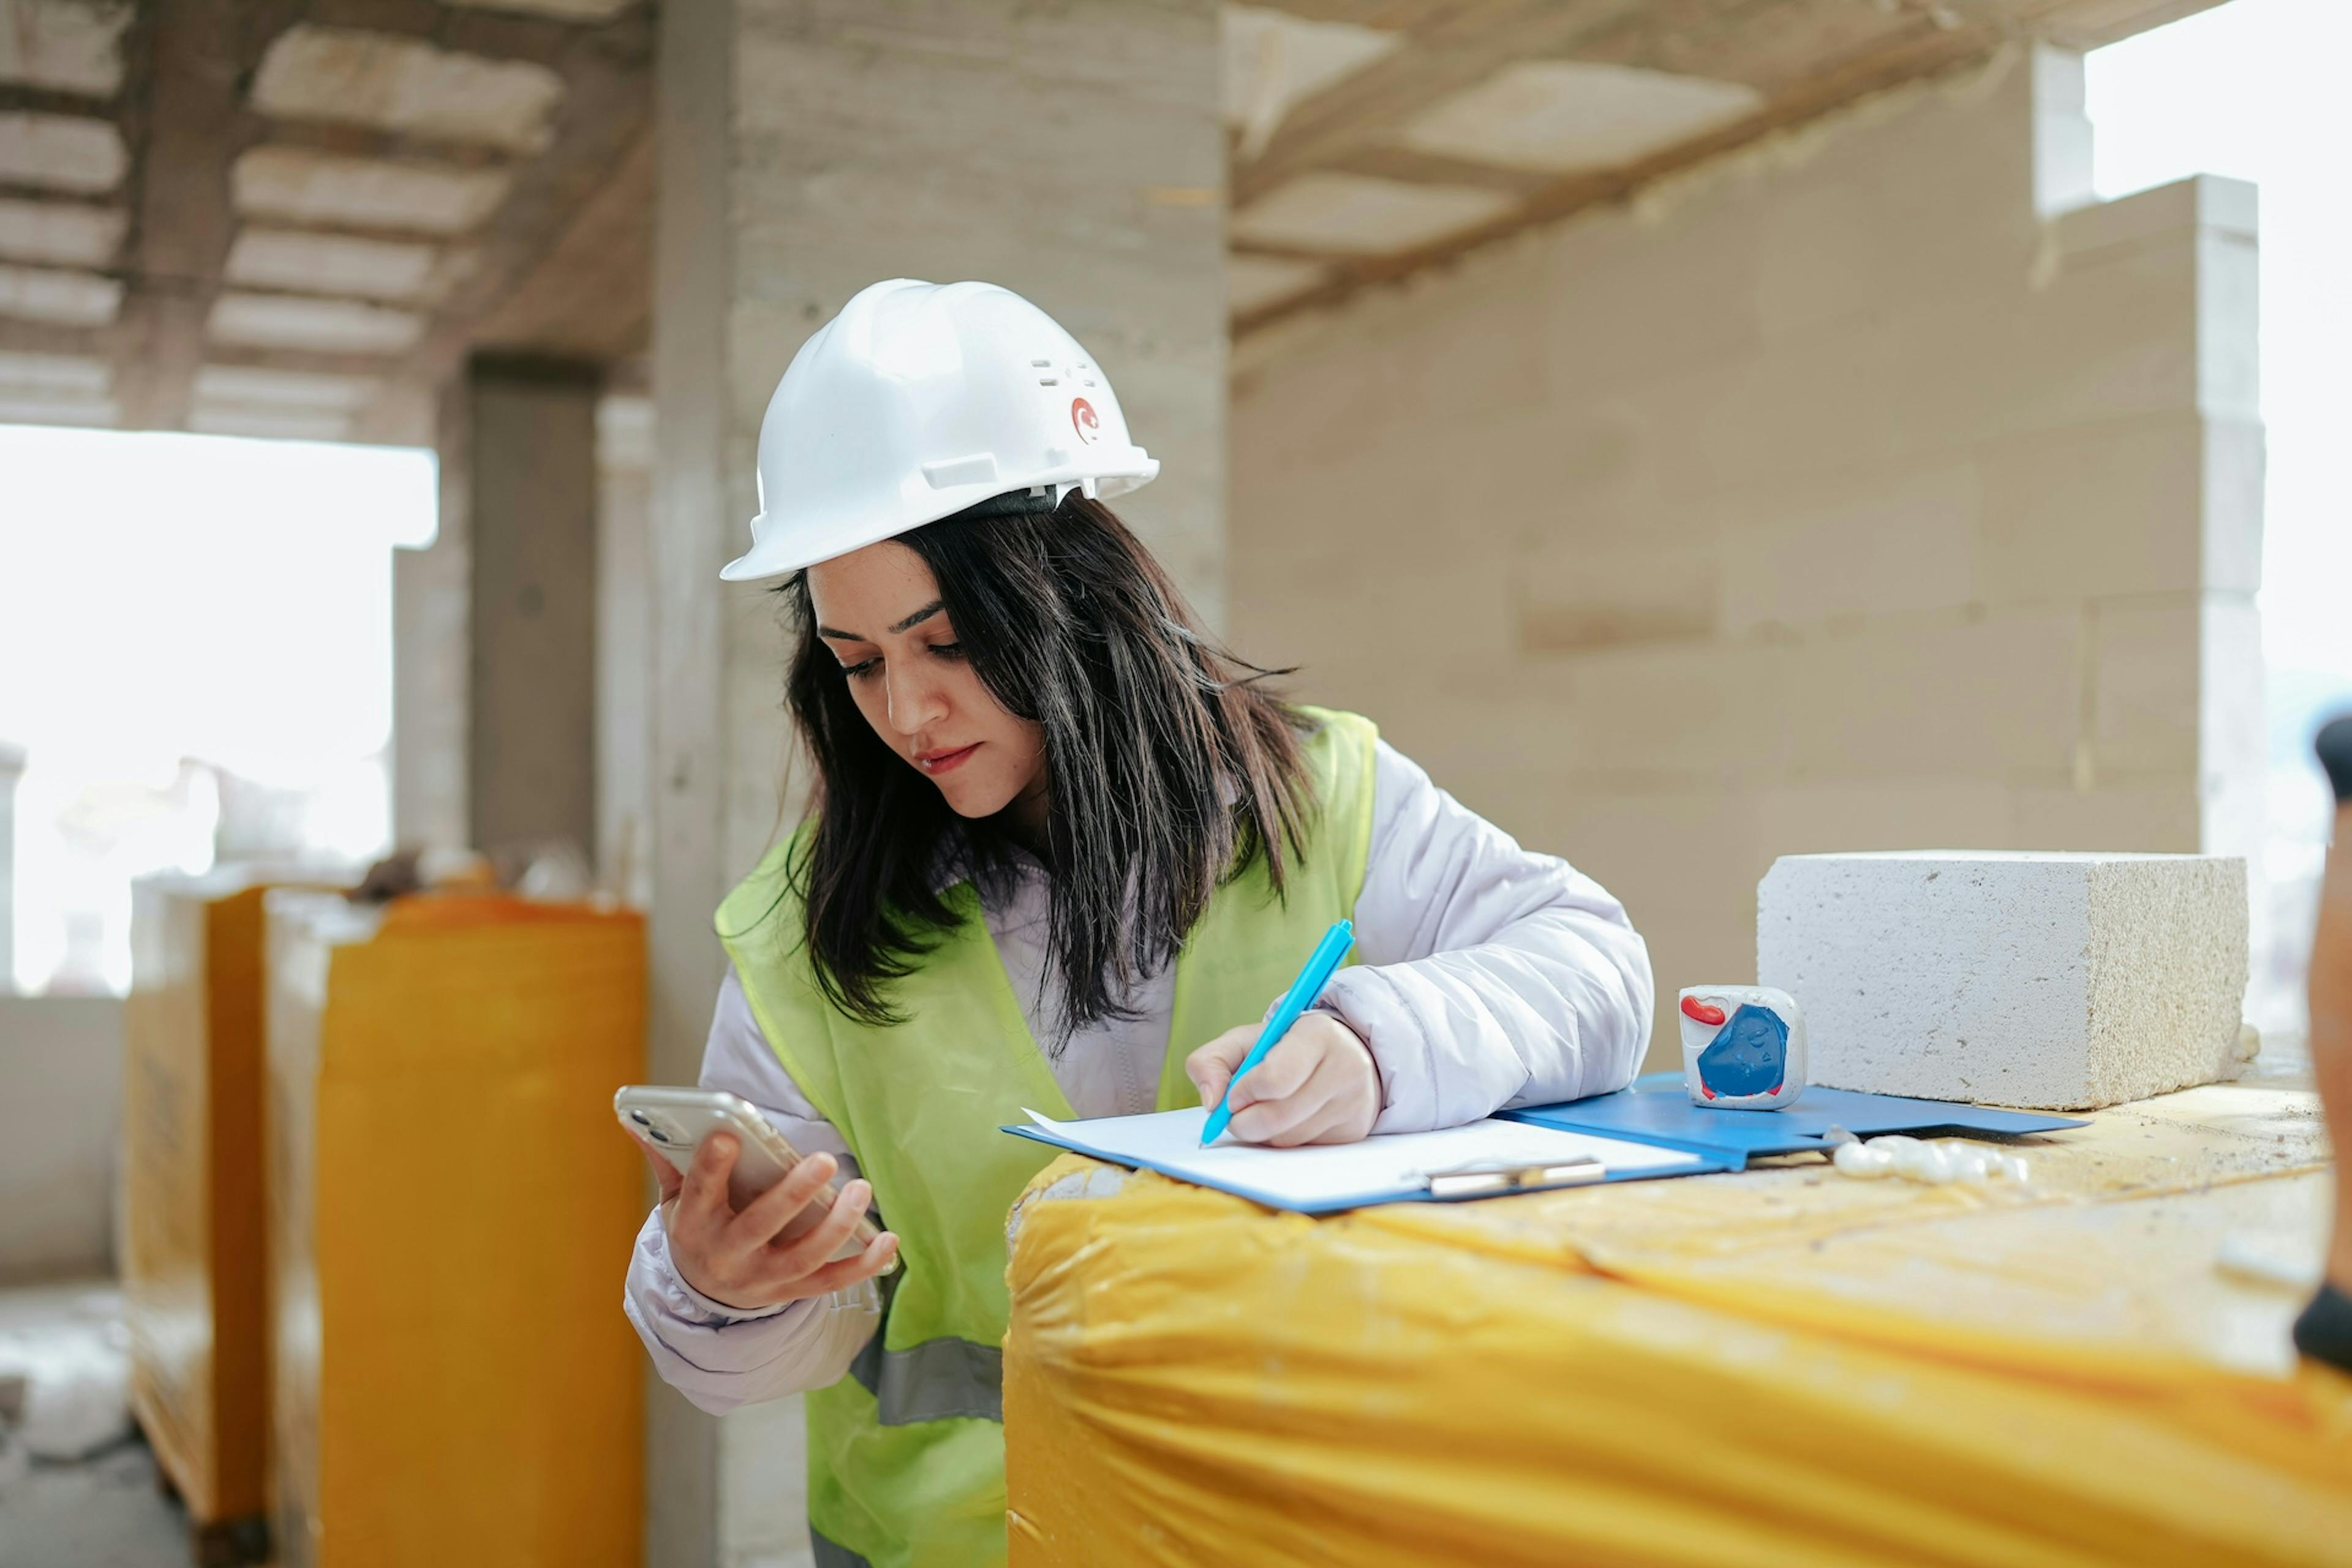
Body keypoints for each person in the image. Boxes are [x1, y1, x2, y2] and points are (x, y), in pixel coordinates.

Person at [622, 279, 1654, 1567]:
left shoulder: (1315, 797)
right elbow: (766, 1356)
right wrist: (719, 1283)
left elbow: (1596, 965)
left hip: (1275, 1529)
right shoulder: (799, 928)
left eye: (945, 641)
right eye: (862, 660)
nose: (908, 709)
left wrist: (1380, 1043)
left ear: (1068, 596)